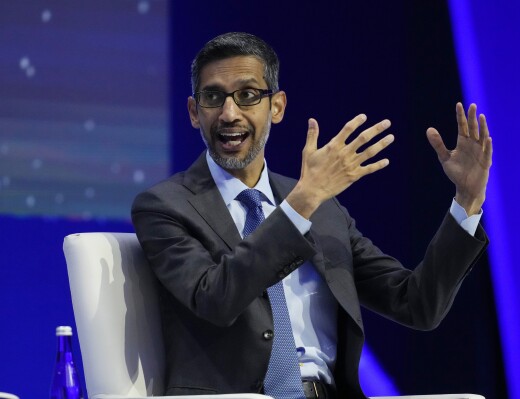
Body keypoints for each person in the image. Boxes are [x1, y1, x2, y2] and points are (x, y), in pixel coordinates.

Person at [131, 32, 492, 399]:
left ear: (277, 107)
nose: (229, 113)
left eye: (247, 95)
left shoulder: (323, 209)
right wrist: (301, 204)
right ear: (194, 112)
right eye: (213, 97)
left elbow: (416, 304)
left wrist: (467, 201)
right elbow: (215, 299)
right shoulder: (165, 206)